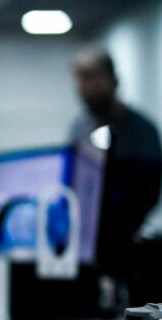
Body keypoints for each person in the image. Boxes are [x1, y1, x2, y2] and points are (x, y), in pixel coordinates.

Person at [69, 48, 162, 280]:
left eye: (91, 77)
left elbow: (147, 196)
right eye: (80, 80)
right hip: (88, 250)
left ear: (114, 80)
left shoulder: (141, 131)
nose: (84, 88)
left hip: (133, 251)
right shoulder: (80, 129)